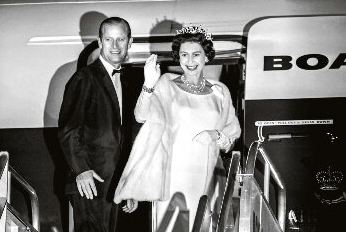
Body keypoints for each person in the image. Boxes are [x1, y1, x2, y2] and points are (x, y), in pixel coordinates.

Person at [113, 25, 241, 231]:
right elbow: (141, 116)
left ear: (207, 56)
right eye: (184, 55)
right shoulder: (166, 84)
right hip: (175, 179)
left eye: (196, 54)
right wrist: (148, 84)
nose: (190, 61)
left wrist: (217, 135)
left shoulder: (220, 91)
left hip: (211, 176)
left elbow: (230, 138)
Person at [58, 17, 139, 232]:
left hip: (114, 184)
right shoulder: (84, 78)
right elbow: (68, 130)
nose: (114, 46)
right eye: (109, 39)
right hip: (90, 181)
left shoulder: (126, 80)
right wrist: (81, 171)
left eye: (120, 39)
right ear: (100, 42)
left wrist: (128, 185)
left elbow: (123, 138)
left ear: (129, 42)